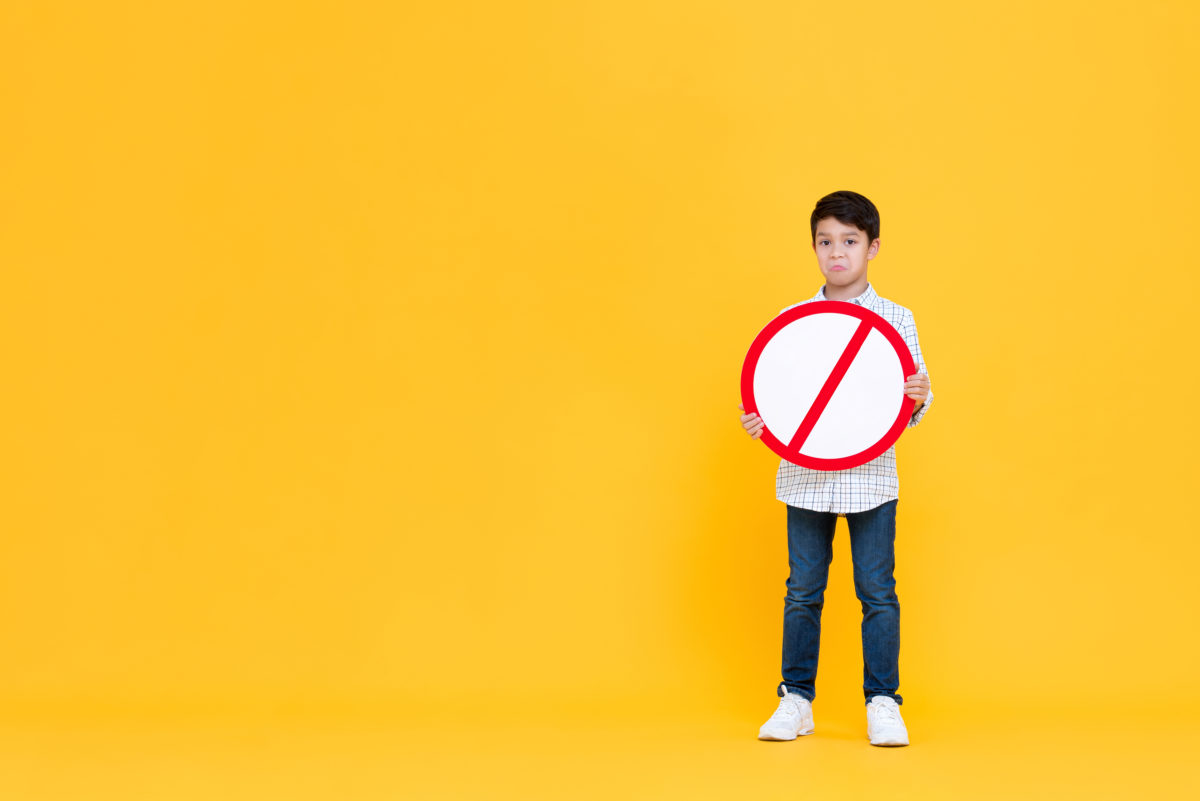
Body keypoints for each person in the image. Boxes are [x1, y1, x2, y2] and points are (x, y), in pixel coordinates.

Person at [738, 190, 932, 747]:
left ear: (873, 247)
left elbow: (911, 401)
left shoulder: (897, 319)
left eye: (849, 241)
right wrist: (763, 421)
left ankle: (883, 702)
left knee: (877, 591)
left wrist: (917, 396)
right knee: (802, 590)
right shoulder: (791, 322)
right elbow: (778, 392)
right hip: (805, 475)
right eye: (825, 242)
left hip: (872, 477)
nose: (837, 253)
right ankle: (795, 699)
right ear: (814, 248)